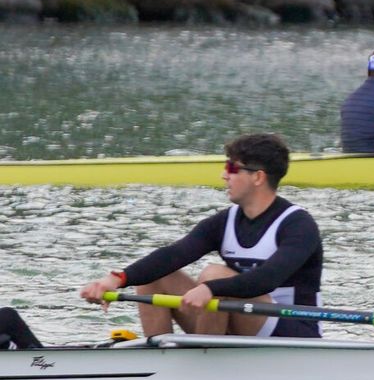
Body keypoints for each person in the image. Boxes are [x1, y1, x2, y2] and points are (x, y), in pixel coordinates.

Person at [77, 133, 324, 338]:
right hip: (238, 320)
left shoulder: (298, 225)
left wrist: (210, 287)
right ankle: (161, 355)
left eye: (231, 168)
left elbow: (266, 280)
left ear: (258, 177)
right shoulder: (224, 221)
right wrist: (116, 279)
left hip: (291, 329)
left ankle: (202, 355)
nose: (223, 175)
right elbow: (173, 255)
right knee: (154, 277)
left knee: (213, 274)